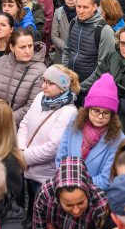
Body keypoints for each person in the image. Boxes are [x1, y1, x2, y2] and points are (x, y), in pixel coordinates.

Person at [17, 65, 79, 204]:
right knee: (30, 207)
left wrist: (24, 157)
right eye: (44, 81)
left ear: (62, 87)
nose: (44, 86)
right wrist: (21, 148)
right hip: (27, 168)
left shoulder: (68, 111)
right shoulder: (40, 97)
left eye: (50, 83)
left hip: (45, 176)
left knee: (41, 209)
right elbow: (24, 124)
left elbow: (53, 147)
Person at [0, 28, 47, 125]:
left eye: (30, 46)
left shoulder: (40, 71)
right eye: (22, 47)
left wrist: (5, 120)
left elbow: (31, 106)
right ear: (12, 47)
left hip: (17, 127)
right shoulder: (0, 62)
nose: (27, 51)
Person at [62, 0, 116, 95]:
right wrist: (65, 75)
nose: (81, 11)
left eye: (85, 7)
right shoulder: (73, 22)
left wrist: (81, 87)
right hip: (70, 84)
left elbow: (103, 66)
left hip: (91, 89)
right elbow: (67, 51)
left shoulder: (104, 30)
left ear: (94, 7)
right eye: (78, 6)